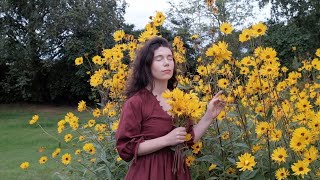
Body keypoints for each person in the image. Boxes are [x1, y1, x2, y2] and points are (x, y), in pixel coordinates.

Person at [116, 36, 225, 180]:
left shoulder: (180, 99)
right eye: (159, 59)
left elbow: (188, 139)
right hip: (149, 173)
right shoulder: (136, 102)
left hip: (178, 173)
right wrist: (166, 140)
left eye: (169, 58)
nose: (167, 63)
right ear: (147, 65)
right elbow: (126, 148)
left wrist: (209, 115)